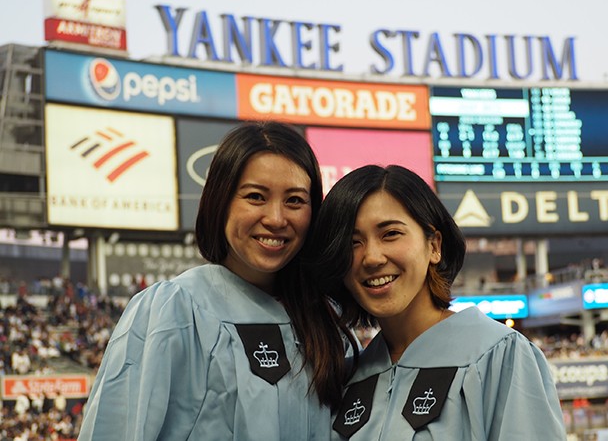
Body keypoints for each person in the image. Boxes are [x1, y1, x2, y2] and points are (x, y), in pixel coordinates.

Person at [79, 121, 355, 440]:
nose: (276, 218)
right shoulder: (173, 311)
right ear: (220, 201)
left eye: (294, 200)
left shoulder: (330, 325)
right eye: (255, 196)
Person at [309, 165, 566, 440]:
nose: (372, 257)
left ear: (434, 246)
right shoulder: (348, 377)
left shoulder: (499, 357)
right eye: (352, 243)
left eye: (390, 234)